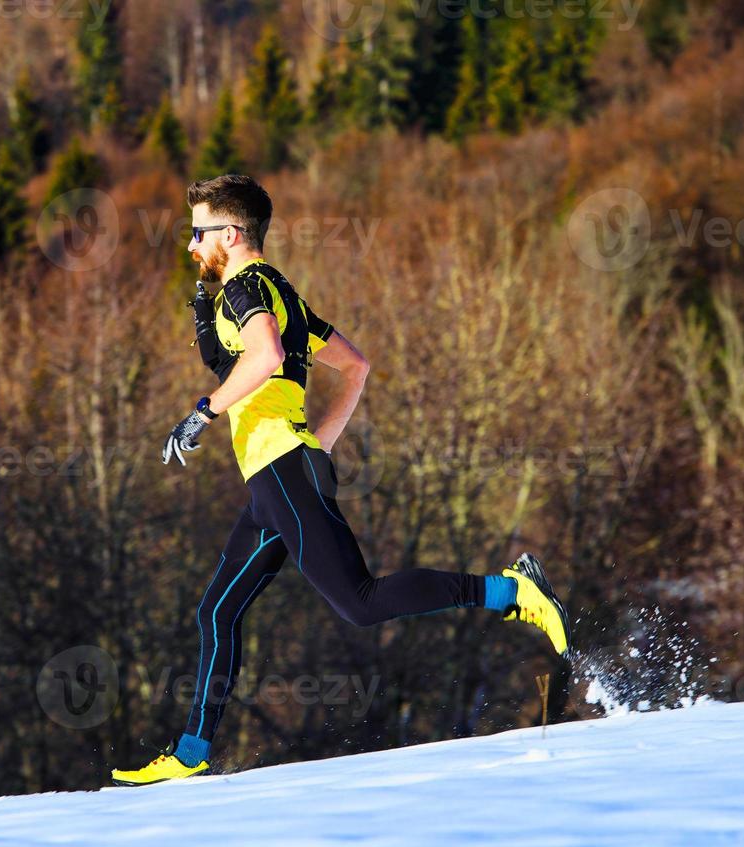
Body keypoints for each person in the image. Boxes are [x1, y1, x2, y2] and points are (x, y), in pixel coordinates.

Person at [110, 174, 570, 787]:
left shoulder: (247, 287)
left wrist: (203, 412)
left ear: (233, 232)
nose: (190, 244)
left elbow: (268, 357)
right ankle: (192, 751)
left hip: (281, 471)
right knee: (216, 612)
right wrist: (316, 446)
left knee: (359, 603)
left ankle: (511, 592)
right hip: (276, 479)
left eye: (198, 232)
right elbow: (354, 366)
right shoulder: (277, 291)